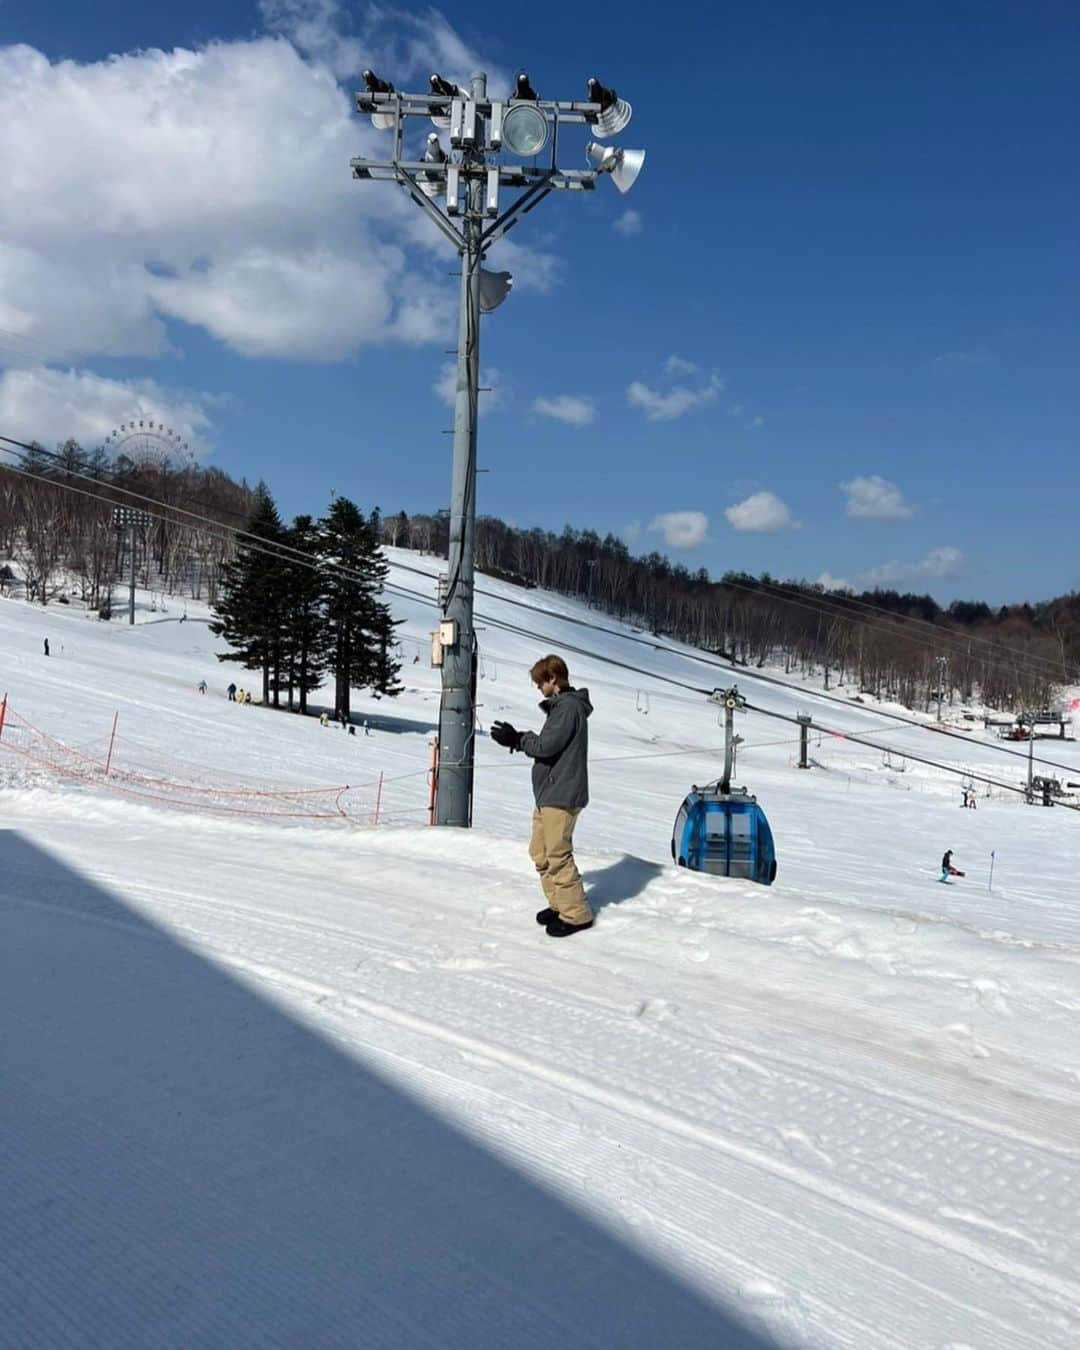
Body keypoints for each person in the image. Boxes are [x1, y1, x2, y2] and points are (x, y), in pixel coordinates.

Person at [491, 654, 594, 938]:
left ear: (552, 679)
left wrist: (518, 739)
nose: (538, 687)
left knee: (557, 855)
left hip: (562, 794)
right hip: (550, 793)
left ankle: (576, 915)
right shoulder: (563, 708)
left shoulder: (568, 708)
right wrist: (519, 739)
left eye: (540, 682)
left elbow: (548, 745)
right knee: (540, 852)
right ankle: (560, 904)